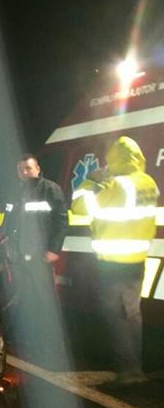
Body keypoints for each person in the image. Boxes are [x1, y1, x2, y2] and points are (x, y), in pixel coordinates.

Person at [71, 136, 160, 383]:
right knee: (132, 313)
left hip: (113, 260)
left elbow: (79, 206)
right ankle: (136, 366)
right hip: (138, 259)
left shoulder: (114, 185)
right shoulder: (148, 182)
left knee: (116, 316)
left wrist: (91, 180)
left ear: (115, 158)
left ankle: (128, 371)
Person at [1, 154, 68, 362]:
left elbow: (61, 221)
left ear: (37, 169)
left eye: (28, 168)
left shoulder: (50, 189)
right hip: (20, 256)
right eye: (20, 169)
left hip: (40, 257)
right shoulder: (15, 191)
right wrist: (6, 242)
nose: (24, 172)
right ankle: (32, 343)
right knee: (27, 300)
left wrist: (53, 249)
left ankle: (52, 347)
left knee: (45, 302)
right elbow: (8, 220)